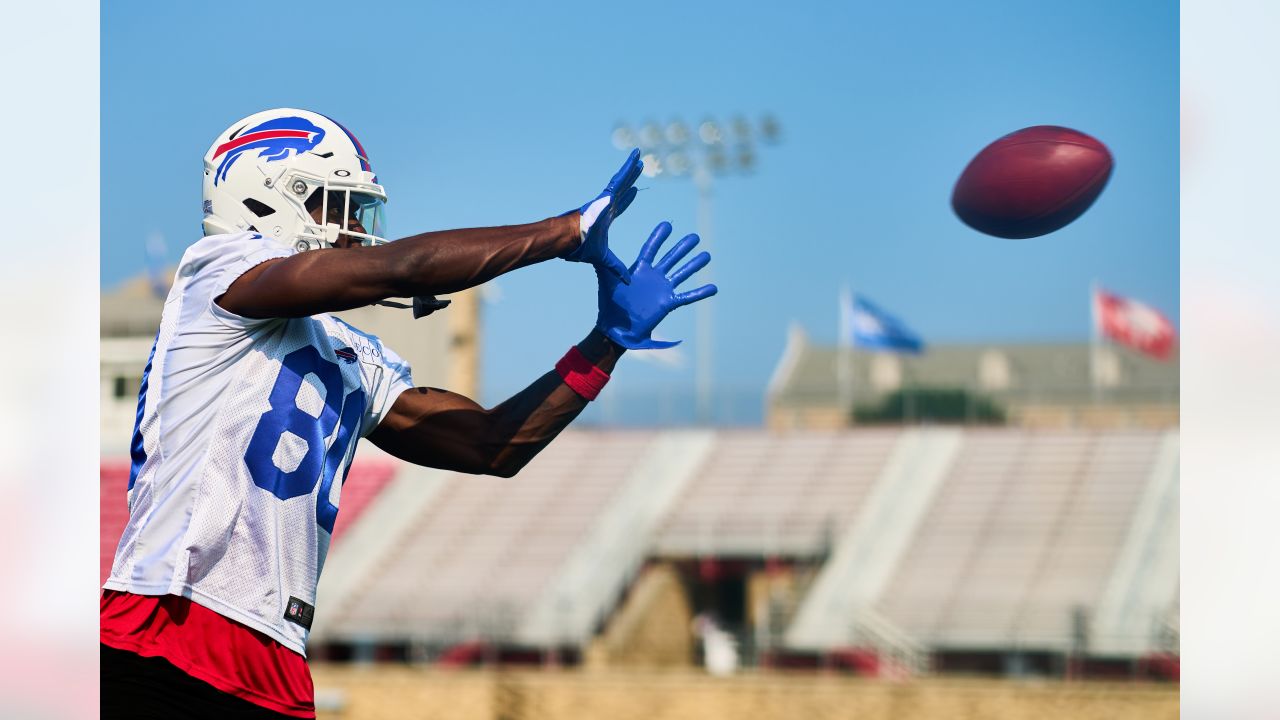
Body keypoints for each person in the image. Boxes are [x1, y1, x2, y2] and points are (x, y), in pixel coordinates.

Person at [100, 108, 717, 719]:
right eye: (331, 205)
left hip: (276, 663)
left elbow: (492, 446)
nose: (351, 230)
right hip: (166, 629)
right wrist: (566, 231)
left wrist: (605, 342)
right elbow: (400, 268)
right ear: (264, 200)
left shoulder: (349, 354)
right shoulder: (216, 272)